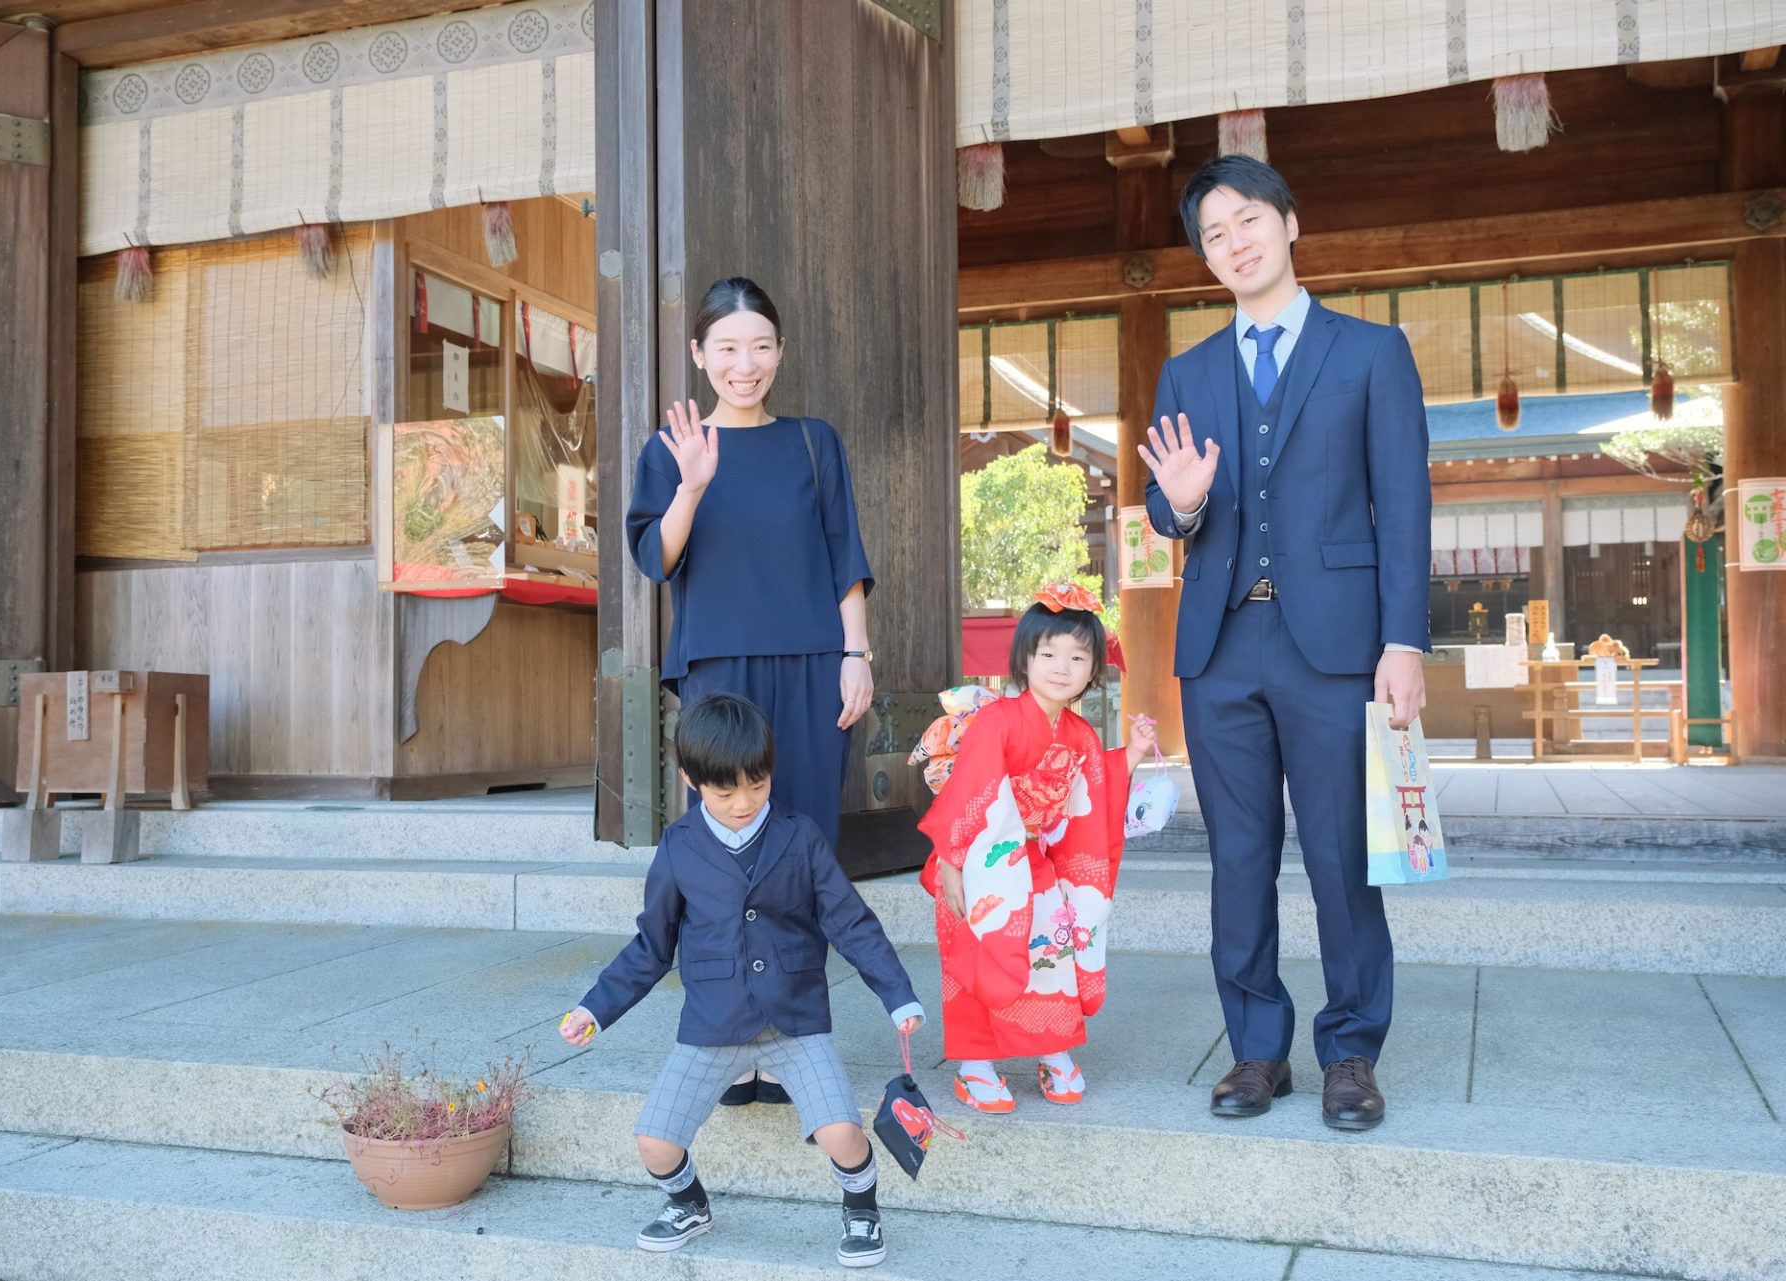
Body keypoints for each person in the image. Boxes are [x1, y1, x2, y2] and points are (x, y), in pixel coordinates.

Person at [1137, 154, 1432, 1131]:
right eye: (1213, 234)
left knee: (1344, 855)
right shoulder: (1187, 371)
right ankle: (1257, 1047)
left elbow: (1404, 506)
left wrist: (1405, 643)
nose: (1234, 243)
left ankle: (1351, 1051)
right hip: (1221, 648)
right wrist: (1176, 509)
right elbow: (1163, 504)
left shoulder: (1371, 353)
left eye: (1248, 220)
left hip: (1338, 647)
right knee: (1239, 857)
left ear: (1290, 223)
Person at [560, 693, 923, 1269]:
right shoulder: (679, 847)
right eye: (725, 792)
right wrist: (595, 1009)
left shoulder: (799, 837)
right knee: (655, 1141)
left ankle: (862, 1209)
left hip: (796, 1019)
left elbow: (849, 921)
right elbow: (651, 946)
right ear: (690, 779)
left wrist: (898, 995)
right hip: (713, 1023)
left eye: (757, 786)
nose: (743, 803)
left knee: (841, 1134)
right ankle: (689, 1204)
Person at [625, 277, 876, 1107]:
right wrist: (692, 483)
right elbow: (656, 560)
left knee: (800, 852)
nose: (745, 363)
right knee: (723, 859)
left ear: (780, 350)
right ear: (699, 354)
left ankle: (793, 1041)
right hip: (720, 671)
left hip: (811, 665)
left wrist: (857, 651)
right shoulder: (669, 450)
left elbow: (844, 552)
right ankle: (731, 1040)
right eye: (726, 347)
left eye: (760, 345)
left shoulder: (814, 441)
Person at [914, 585, 1158, 1114]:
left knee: (1054, 942)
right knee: (980, 951)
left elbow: (1093, 790)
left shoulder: (1077, 734)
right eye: (1047, 654)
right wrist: (953, 862)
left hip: (1032, 860)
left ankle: (1052, 1047)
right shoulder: (998, 720)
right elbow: (970, 792)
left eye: (1077, 657)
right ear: (1024, 658)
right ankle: (974, 1067)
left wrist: (1132, 754)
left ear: (1093, 668)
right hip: (978, 860)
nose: (1061, 667)